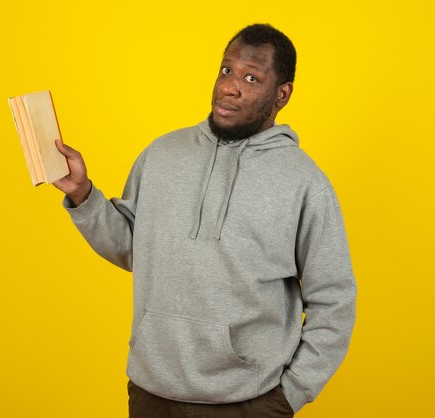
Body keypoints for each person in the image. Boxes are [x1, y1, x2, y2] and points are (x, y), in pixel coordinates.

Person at [53, 23, 357, 418]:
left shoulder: (304, 183)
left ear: (281, 94)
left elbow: (334, 299)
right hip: (152, 392)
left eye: (251, 77)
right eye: (226, 70)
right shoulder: (162, 154)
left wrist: (291, 393)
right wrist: (82, 194)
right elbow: (133, 247)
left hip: (248, 401)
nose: (230, 87)